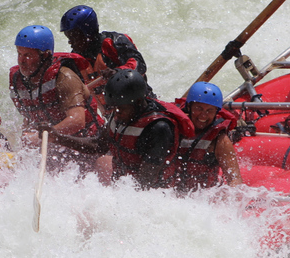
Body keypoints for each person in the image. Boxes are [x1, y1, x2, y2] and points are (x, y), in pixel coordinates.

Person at [40, 69, 195, 190]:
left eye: (121, 109)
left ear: (139, 102)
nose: (117, 113)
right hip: (124, 190)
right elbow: (97, 146)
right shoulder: (122, 112)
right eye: (115, 108)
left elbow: (144, 183)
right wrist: (58, 137)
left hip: (154, 197)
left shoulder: (159, 128)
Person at [9, 25, 103, 172]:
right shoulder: (18, 80)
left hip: (87, 144)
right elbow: (30, 118)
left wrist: (41, 137)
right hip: (56, 148)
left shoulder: (65, 77)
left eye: (28, 55)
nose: (21, 61)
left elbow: (77, 120)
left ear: (45, 55)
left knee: (105, 167)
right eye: (19, 54)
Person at [60, 5, 155, 102]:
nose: (70, 42)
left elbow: (139, 65)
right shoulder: (75, 60)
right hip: (113, 114)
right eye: (68, 38)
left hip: (142, 104)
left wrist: (118, 73)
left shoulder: (115, 41)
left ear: (87, 33)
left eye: (74, 37)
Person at [176, 82, 243, 190]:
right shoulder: (174, 127)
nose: (203, 115)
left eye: (209, 110)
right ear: (189, 107)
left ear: (216, 112)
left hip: (202, 197)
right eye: (199, 108)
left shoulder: (220, 140)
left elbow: (234, 179)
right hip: (169, 194)